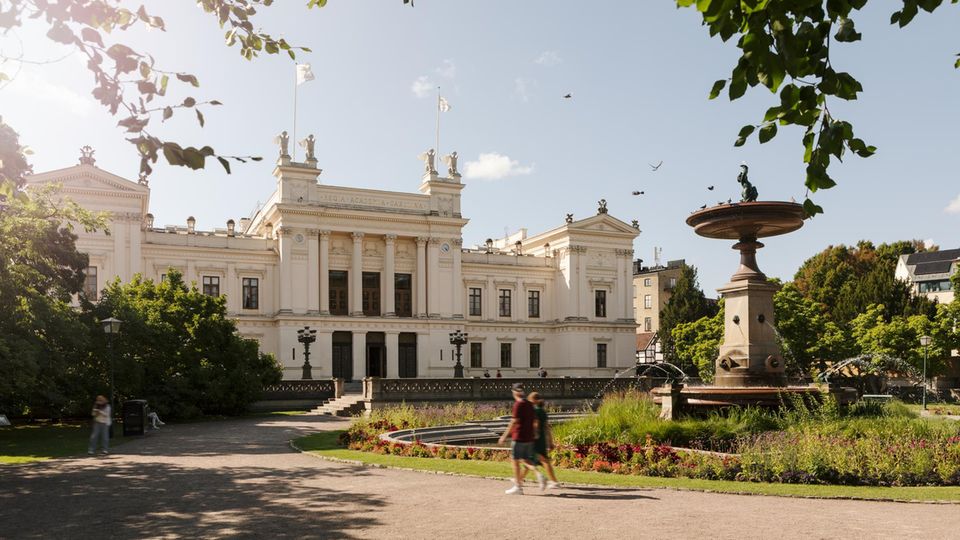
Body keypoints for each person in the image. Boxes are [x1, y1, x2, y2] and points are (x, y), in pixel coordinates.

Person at [497, 383, 542, 495]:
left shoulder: (518, 404)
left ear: (515, 392)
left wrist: (504, 436)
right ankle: (538, 474)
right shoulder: (529, 404)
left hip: (519, 437)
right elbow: (536, 421)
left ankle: (518, 487)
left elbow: (513, 421)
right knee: (526, 460)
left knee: (515, 461)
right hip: (529, 438)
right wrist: (535, 432)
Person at [527, 392, 560, 489]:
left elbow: (535, 424)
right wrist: (550, 441)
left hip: (536, 438)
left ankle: (554, 481)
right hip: (541, 438)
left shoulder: (535, 411)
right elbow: (547, 428)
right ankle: (519, 480)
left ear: (534, 400)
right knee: (530, 460)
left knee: (542, 460)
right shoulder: (542, 411)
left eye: (530, 400)